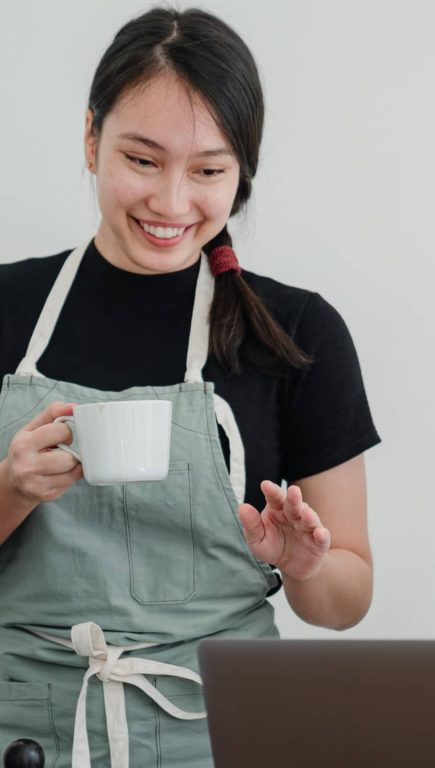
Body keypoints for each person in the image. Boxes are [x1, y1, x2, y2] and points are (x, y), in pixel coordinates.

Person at [0, 7, 379, 767]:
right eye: (142, 160)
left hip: (226, 735)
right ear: (90, 139)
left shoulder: (299, 334)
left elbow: (349, 599)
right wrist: (9, 489)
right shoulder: (8, 309)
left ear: (242, 171)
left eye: (208, 171)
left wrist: (304, 567)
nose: (172, 204)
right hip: (23, 732)